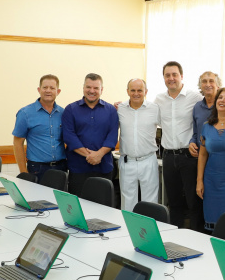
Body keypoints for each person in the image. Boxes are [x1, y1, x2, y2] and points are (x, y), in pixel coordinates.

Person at [155, 61, 204, 230]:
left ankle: (195, 238)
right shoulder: (159, 100)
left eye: (174, 74)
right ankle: (175, 236)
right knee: (174, 202)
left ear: (181, 76)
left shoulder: (195, 97)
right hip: (168, 157)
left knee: (193, 202)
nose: (171, 78)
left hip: (189, 157)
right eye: (167, 75)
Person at [61, 73, 119, 196]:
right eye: (88, 87)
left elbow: (112, 136)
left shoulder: (111, 111)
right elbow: (69, 136)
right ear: (83, 88)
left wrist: (99, 155)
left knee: (103, 208)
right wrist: (91, 156)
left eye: (96, 88)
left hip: (104, 167)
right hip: (78, 169)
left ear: (101, 90)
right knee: (79, 207)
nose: (92, 91)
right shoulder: (70, 110)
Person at [196, 88, 225, 231]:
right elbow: (203, 155)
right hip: (211, 182)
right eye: (220, 97)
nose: (222, 100)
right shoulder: (206, 127)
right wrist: (199, 181)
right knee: (213, 224)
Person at [12, 74, 67, 182]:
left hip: (61, 168)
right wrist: (23, 172)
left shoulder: (63, 113)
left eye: (52, 88)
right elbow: (17, 143)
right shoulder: (25, 113)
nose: (48, 91)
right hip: (37, 169)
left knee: (58, 199)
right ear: (39, 89)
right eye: (45, 87)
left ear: (58, 91)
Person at [116, 78, 160, 210]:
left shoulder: (155, 109)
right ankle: (129, 229)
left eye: (140, 90)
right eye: (133, 90)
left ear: (145, 91)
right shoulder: (120, 109)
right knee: (127, 201)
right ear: (127, 91)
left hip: (148, 160)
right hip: (127, 161)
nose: (136, 93)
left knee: (150, 201)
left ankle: (149, 229)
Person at [188, 71, 221, 157]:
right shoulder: (197, 107)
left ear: (218, 86)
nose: (207, 84)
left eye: (211, 81)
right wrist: (192, 142)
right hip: (200, 157)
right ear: (200, 86)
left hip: (220, 156)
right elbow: (196, 134)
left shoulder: (224, 105)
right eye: (204, 81)